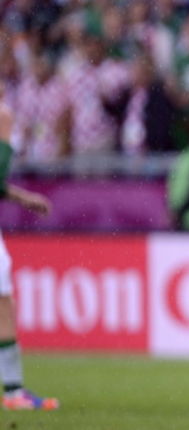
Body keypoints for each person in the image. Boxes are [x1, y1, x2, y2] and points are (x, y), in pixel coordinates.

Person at [0, 87, 58, 411]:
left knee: (4, 302)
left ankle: (13, 391)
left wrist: (22, 197)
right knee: (3, 303)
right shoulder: (2, 116)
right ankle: (13, 392)